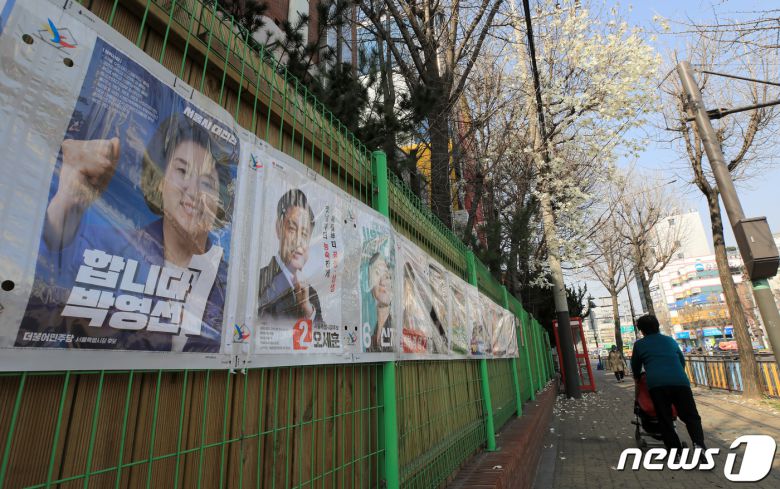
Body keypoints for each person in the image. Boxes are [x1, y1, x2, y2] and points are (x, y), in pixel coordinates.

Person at [18, 113, 236, 352]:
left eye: (207, 183)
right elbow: (43, 281)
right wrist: (68, 200)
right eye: (182, 171)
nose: (193, 191)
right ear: (160, 180)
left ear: (219, 201)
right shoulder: (109, 249)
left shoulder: (230, 281)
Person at [631, 314, 706, 450]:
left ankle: (675, 451)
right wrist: (676, 374)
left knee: (664, 418)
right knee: (691, 416)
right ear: (658, 326)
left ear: (641, 330)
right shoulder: (670, 341)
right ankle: (699, 445)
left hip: (657, 384)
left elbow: (635, 366)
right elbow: (681, 361)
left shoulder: (639, 345)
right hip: (680, 381)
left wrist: (637, 377)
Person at [257, 189, 322, 323]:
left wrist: (308, 310)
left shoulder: (311, 294)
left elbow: (322, 337)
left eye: (304, 234)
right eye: (292, 229)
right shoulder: (259, 280)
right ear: (279, 228)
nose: (298, 241)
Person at [362, 252, 392, 351]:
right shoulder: (369, 337)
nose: (382, 282)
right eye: (377, 273)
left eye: (386, 276)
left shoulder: (397, 328)